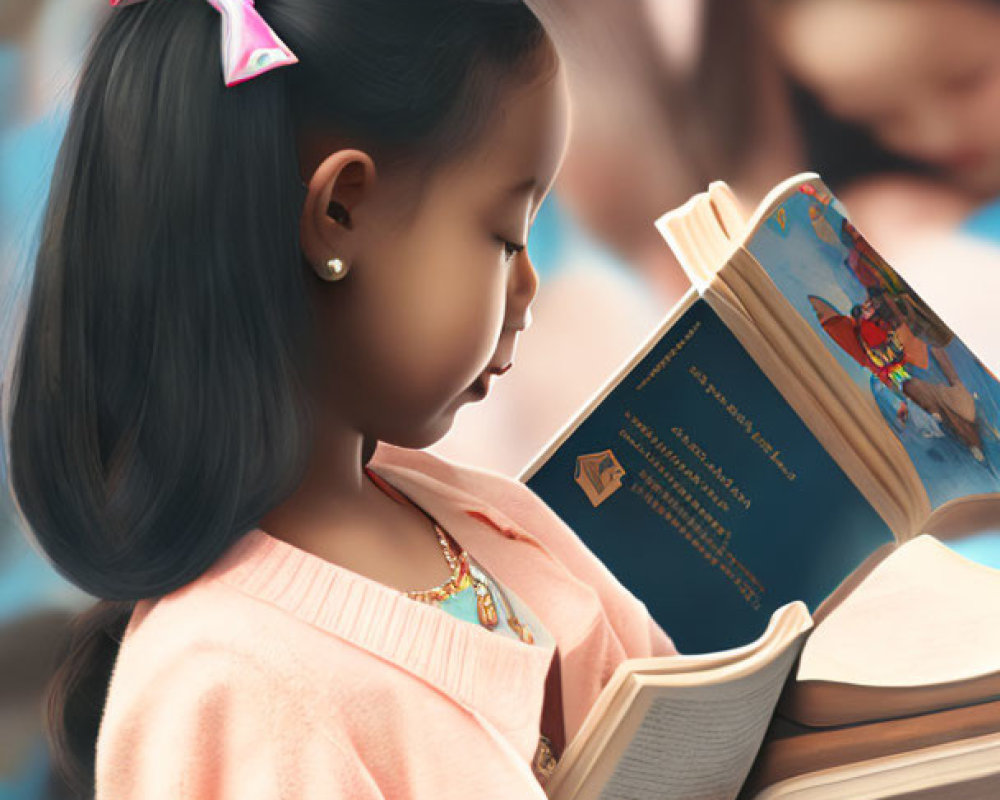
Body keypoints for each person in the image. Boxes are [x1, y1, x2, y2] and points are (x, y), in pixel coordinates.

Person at [2, 1, 679, 798]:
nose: (527, 287)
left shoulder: (492, 524)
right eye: (504, 235)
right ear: (338, 213)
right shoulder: (220, 683)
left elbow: (676, 709)